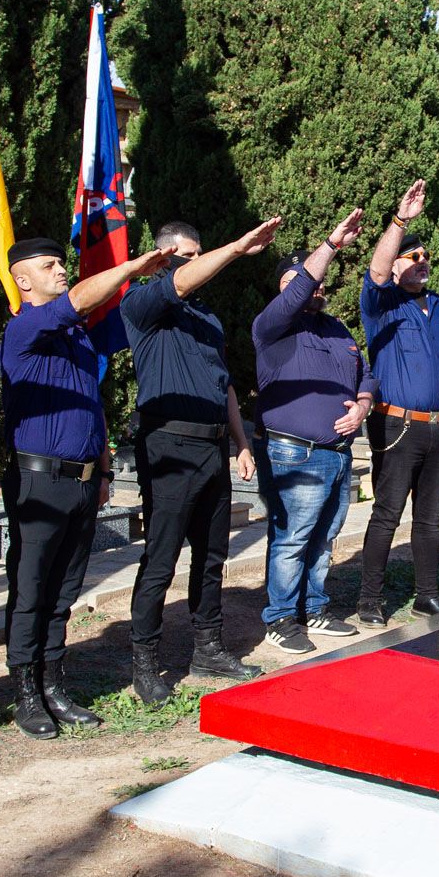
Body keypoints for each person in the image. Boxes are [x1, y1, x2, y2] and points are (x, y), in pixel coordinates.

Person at [0, 236, 169, 737]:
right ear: (23, 280)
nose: (60, 270)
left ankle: (53, 683)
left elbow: (91, 409)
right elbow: (79, 301)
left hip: (81, 483)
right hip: (39, 481)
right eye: (48, 265)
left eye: (60, 262)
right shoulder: (24, 327)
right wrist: (132, 265)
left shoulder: (77, 338)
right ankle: (26, 691)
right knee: (31, 591)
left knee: (64, 591)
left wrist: (104, 471)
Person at [123, 216, 283, 705]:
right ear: (165, 257)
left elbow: (225, 386)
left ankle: (208, 649)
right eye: (189, 257)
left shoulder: (206, 317)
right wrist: (235, 247)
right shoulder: (143, 303)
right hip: (169, 445)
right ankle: (145, 664)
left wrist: (241, 443)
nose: (198, 264)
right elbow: (179, 282)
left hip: (214, 445)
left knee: (212, 557)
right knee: (161, 559)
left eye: (200, 254)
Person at [251, 209, 373, 654]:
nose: (312, 287)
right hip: (295, 454)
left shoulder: (337, 328)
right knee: (293, 537)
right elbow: (298, 287)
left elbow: (366, 373)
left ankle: (314, 607)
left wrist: (362, 404)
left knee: (325, 536)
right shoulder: (272, 327)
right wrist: (333, 245)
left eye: (317, 282)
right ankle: (280, 618)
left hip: (339, 452)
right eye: (299, 282)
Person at [357, 180, 439, 625]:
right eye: (413, 256)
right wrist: (401, 223)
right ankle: (369, 600)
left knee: (430, 518)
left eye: (426, 258)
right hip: (397, 426)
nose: (422, 263)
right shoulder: (381, 304)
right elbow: (379, 269)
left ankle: (426, 595)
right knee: (386, 514)